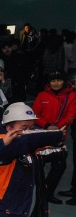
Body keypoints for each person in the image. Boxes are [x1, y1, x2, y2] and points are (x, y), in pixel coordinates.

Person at [32, 70, 76, 204]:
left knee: (59, 164)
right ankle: (33, 191)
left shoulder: (72, 96)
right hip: (42, 134)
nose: (56, 83)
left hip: (58, 135)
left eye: (59, 80)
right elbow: (34, 114)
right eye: (52, 80)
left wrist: (56, 128)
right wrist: (46, 125)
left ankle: (47, 193)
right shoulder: (42, 95)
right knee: (38, 163)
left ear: (64, 81)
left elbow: (71, 115)